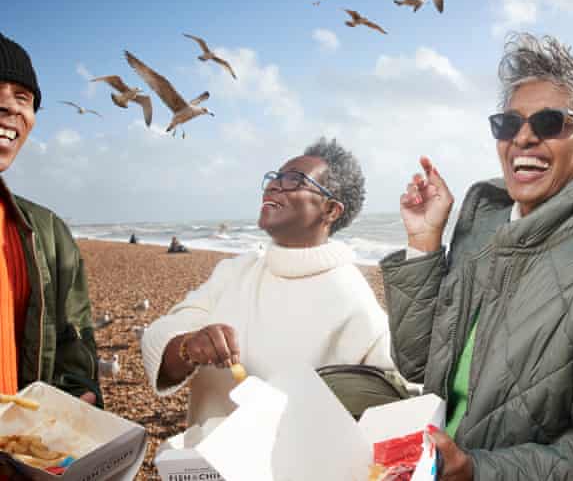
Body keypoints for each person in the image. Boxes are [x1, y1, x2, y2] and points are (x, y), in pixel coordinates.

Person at [380, 33, 573, 480]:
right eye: (508, 124)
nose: (522, 137)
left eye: (550, 122)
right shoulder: (485, 236)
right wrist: (426, 242)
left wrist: (478, 473)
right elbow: (419, 364)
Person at [141, 138, 394, 427]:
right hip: (200, 468)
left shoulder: (355, 302)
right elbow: (159, 335)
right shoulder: (237, 271)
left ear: (331, 210)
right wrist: (188, 346)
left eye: (293, 180)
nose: (274, 185)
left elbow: (389, 411)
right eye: (275, 177)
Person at [0, 33, 102, 406]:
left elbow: (69, 345)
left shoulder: (48, 233)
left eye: (22, 98)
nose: (9, 108)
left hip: (17, 459)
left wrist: (81, 396)